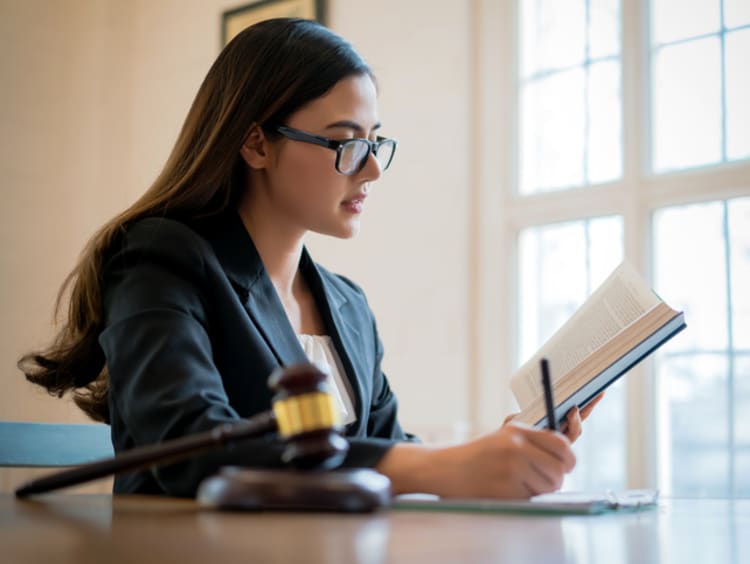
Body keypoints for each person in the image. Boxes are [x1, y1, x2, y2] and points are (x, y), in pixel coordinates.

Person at [20, 18, 599, 499]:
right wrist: (441, 468)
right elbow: (191, 446)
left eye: (374, 141)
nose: (371, 168)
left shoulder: (347, 304)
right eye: (346, 142)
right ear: (256, 144)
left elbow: (387, 455)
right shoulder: (158, 259)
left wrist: (502, 451)